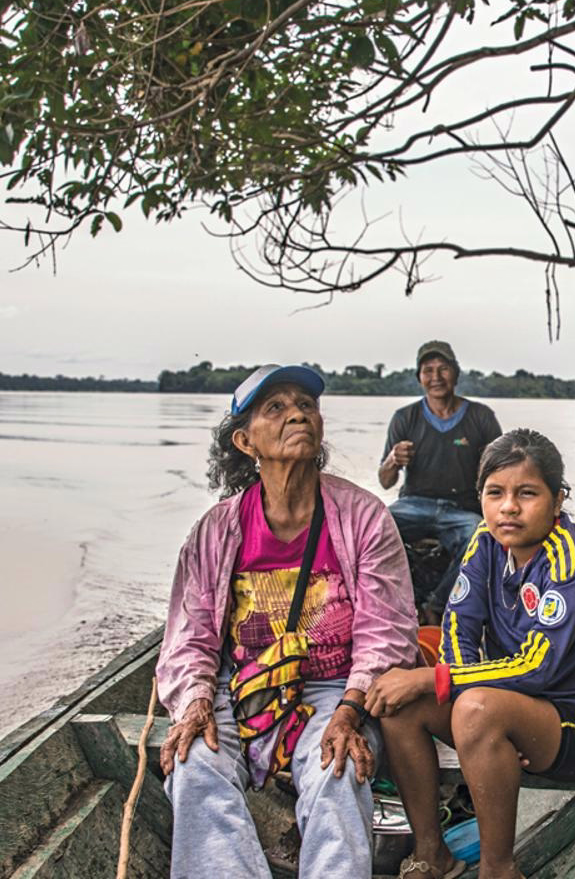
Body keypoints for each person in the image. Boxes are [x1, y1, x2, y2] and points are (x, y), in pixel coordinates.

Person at [155, 363, 420, 879]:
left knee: (337, 768)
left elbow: (387, 636)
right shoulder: (215, 530)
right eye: (275, 407)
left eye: (306, 404)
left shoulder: (363, 516)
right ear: (245, 440)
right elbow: (189, 639)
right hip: (241, 686)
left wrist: (349, 712)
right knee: (193, 766)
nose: (297, 413)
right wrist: (197, 701)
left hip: (335, 689)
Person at [366, 429, 575, 879]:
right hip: (515, 701)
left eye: (527, 493)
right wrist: (458, 691)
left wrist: (442, 685)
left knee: (468, 707)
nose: (509, 507)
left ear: (558, 499)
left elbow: (537, 665)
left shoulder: (572, 561)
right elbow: (458, 623)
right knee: (402, 707)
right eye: (495, 493)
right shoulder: (486, 540)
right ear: (481, 498)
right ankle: (432, 854)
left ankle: (498, 869)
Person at [378, 339, 503, 621]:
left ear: (456, 373)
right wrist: (392, 460)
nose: (436, 377)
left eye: (443, 369)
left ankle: (437, 604)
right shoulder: (405, 417)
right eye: (428, 370)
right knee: (373, 528)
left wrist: (489, 465)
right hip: (413, 505)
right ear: (419, 378)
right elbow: (385, 481)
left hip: (462, 508)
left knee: (480, 537)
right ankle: (387, 603)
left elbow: (502, 476)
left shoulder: (481, 417)